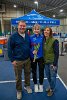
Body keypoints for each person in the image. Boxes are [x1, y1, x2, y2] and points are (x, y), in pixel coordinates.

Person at [8, 20, 32, 100]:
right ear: (17, 26)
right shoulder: (13, 36)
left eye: (24, 26)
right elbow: (9, 49)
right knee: (18, 77)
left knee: (27, 74)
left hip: (27, 59)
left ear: (25, 27)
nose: (22, 27)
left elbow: (30, 46)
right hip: (18, 61)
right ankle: (19, 90)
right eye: (21, 26)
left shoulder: (28, 36)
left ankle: (27, 86)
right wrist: (12, 60)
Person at [43, 27, 59, 96]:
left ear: (50, 32)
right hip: (46, 62)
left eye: (47, 30)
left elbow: (57, 53)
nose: (46, 31)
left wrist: (54, 64)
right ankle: (50, 86)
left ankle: (52, 89)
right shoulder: (44, 40)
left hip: (52, 63)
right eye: (45, 30)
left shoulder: (54, 40)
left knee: (53, 77)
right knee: (48, 76)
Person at [30, 24, 44, 92]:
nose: (36, 30)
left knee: (41, 71)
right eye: (35, 29)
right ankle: (35, 84)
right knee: (34, 71)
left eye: (38, 29)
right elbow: (29, 47)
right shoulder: (31, 37)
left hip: (41, 57)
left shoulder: (43, 37)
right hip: (33, 57)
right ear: (33, 30)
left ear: (40, 30)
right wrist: (32, 51)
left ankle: (41, 84)